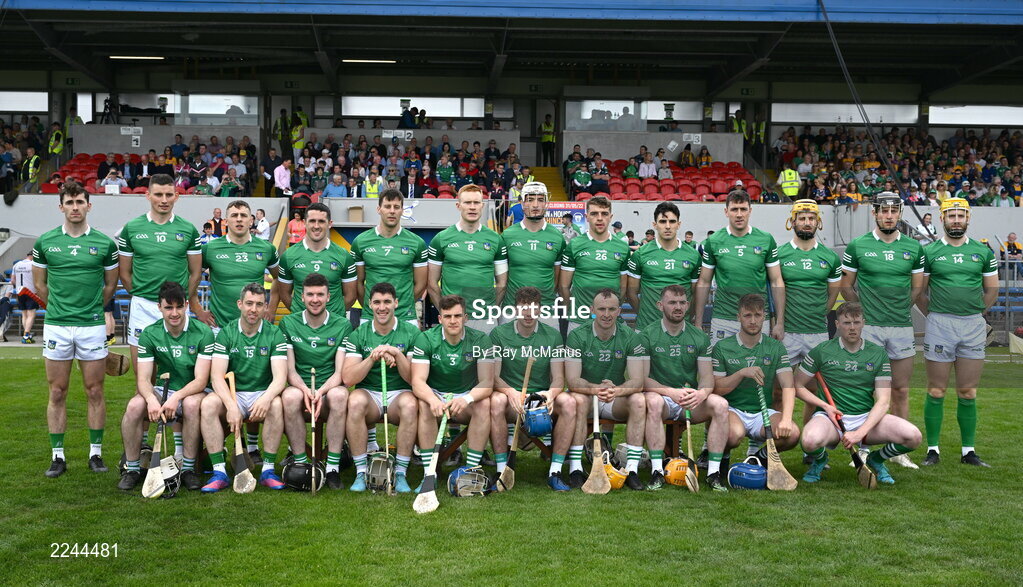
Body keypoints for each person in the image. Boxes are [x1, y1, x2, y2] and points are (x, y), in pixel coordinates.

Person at [33, 183, 119, 477]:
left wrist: (92, 309)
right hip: (57, 326)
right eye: (69, 202)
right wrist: (60, 309)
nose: (75, 207)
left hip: (91, 326)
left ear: (88, 206)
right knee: (57, 392)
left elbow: (110, 286)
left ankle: (95, 454)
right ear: (61, 207)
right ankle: (58, 456)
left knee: (95, 390)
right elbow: (40, 286)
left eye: (80, 201)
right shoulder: (45, 243)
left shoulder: (105, 244)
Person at [840, 193, 924, 469]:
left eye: (894, 211)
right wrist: (863, 313)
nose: (889, 215)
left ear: (900, 213)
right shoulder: (858, 246)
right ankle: (863, 447)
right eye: (884, 210)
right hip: (869, 329)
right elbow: (846, 286)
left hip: (900, 327)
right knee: (866, 389)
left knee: (900, 389)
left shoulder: (914, 247)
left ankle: (897, 450)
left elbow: (916, 288)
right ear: (874, 213)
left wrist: (899, 309)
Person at [795, 302, 922, 485]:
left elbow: (884, 401)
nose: (852, 328)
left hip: (865, 417)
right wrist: (824, 406)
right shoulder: (821, 351)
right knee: (809, 441)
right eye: (846, 323)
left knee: (913, 436)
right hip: (831, 417)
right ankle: (821, 460)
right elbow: (797, 385)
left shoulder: (877, 353)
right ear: (837, 325)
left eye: (856, 322)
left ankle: (876, 459)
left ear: (864, 323)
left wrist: (859, 433)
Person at [918, 199, 998, 467]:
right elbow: (919, 292)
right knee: (937, 390)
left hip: (972, 325)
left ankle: (968, 452)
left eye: (960, 216)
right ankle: (932, 450)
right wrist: (936, 314)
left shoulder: (982, 252)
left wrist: (975, 313)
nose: (955, 220)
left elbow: (992, 291)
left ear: (968, 219)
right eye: (950, 215)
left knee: (968, 392)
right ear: (942, 218)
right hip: (940, 324)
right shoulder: (929, 252)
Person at [117, 282, 214, 491]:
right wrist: (152, 399)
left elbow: (201, 380)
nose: (175, 313)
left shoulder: (202, 332)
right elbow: (143, 379)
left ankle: (188, 468)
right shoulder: (150, 334)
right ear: (159, 307)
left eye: (179, 306)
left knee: (190, 405)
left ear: (187, 305)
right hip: (162, 390)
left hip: (192, 391)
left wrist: (176, 396)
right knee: (134, 407)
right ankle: (132, 468)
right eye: (168, 307)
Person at [637, 285, 731, 491]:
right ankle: (657, 471)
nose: (677, 307)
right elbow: (642, 379)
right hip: (662, 397)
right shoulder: (647, 334)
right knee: (651, 401)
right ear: (660, 305)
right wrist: (670, 392)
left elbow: (707, 377)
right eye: (672, 303)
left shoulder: (699, 337)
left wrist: (702, 393)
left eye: (681, 303)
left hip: (690, 400)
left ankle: (714, 473)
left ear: (688, 305)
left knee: (721, 404)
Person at [200, 283, 289, 492]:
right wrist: (231, 406)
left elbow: (280, 377)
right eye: (249, 303)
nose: (253, 309)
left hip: (262, 392)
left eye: (259, 305)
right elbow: (216, 377)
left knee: (276, 404)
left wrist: (266, 398)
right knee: (209, 404)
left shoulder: (275, 334)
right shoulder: (226, 333)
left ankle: (267, 470)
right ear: (240, 304)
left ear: (265, 307)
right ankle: (219, 471)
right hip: (235, 394)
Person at [116, 174, 203, 368]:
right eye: (158, 194)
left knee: (179, 370)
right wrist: (141, 294)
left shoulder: (188, 229)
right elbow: (124, 273)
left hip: (176, 308)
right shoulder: (131, 228)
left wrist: (181, 300)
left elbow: (196, 272)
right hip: (142, 306)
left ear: (176, 196)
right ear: (147, 195)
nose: (164, 200)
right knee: (143, 374)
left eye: (168, 195)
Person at [342, 282, 422, 492]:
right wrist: (372, 357)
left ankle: (401, 473)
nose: (382, 307)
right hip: (369, 393)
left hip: (399, 393)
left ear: (396, 303)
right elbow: (349, 378)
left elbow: (414, 379)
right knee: (355, 400)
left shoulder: (411, 332)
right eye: (377, 302)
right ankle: (361, 472)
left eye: (387, 302)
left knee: (411, 405)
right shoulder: (359, 333)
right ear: (369, 305)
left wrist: (396, 353)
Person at [279, 273, 354, 490]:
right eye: (310, 294)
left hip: (329, 389)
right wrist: (304, 389)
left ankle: (332, 467)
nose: (315, 299)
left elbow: (340, 373)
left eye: (320, 294)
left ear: (329, 297)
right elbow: (289, 370)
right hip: (301, 388)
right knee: (289, 396)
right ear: (301, 297)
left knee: (341, 395)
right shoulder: (288, 323)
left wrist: (320, 391)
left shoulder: (342, 325)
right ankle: (301, 463)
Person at [565, 289, 646, 489]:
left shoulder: (630, 336)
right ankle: (575, 468)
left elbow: (638, 381)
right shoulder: (577, 335)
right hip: (587, 395)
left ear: (619, 311)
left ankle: (632, 470)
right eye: (601, 309)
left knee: (639, 400)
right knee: (577, 400)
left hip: (613, 397)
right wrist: (596, 388)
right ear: (592, 310)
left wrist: (616, 391)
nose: (606, 314)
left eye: (611, 309)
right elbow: (572, 380)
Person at [712, 293, 800, 468]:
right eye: (747, 315)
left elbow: (788, 386)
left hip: (763, 412)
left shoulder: (775, 347)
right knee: (733, 435)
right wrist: (741, 373)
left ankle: (759, 458)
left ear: (764, 317)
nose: (753, 321)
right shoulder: (723, 347)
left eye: (757, 315)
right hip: (733, 410)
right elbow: (718, 389)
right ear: (739, 317)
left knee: (793, 434)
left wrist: (786, 419)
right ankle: (723, 458)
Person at [410, 295, 494, 475]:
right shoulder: (426, 338)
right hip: (436, 395)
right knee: (424, 405)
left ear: (465, 317)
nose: (453, 321)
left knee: (484, 404)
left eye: (457, 316)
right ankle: (429, 472)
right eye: (447, 316)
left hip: (465, 396)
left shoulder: (480, 339)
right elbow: (417, 381)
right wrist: (432, 400)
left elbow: (487, 382)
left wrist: (467, 399)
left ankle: (471, 470)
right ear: (440, 319)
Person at [693, 190, 785, 344]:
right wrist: (698, 323)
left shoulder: (766, 239)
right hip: (724, 317)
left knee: (758, 367)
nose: (739, 214)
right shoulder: (714, 241)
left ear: (750, 210)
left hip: (757, 317)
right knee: (719, 367)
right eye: (734, 209)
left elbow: (776, 281)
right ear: (726, 212)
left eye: (743, 209)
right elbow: (704, 282)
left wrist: (780, 322)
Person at [427, 185, 507, 333]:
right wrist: (446, 312)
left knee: (486, 356)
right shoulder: (441, 239)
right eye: (467, 203)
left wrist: (488, 310)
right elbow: (432, 284)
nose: (472, 207)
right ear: (458, 206)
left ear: (482, 206)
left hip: (485, 318)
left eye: (476, 203)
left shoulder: (496, 239)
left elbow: (502, 284)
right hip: (452, 318)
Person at [199, 200, 280, 332]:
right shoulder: (210, 248)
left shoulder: (267, 248)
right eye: (234, 215)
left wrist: (271, 309)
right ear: (226, 221)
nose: (239, 219)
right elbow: (192, 277)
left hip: (255, 328)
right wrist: (198, 310)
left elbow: (279, 278)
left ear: (250, 221)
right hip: (219, 328)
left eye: (243, 215)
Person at [350, 190, 427, 327]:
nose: (392, 211)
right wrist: (374, 307)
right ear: (379, 209)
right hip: (371, 316)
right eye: (387, 206)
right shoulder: (360, 242)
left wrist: (402, 304)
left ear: (402, 210)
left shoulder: (417, 243)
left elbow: (421, 284)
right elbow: (358, 283)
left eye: (396, 207)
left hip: (405, 315)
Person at [559, 196, 630, 334]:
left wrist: (611, 311)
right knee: (575, 356)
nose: (599, 218)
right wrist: (574, 312)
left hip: (610, 321)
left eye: (604, 214)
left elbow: (623, 288)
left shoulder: (622, 247)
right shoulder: (575, 244)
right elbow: (564, 286)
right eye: (594, 213)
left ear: (611, 217)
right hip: (579, 320)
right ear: (586, 216)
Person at [499, 182, 566, 329]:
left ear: (546, 203)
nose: (535, 205)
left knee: (547, 352)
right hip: (512, 309)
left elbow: (557, 278)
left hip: (546, 309)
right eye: (530, 199)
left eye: (540, 200)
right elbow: (501, 277)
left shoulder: (557, 237)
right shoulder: (507, 235)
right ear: (522, 203)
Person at [626, 202, 701, 330]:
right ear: (654, 225)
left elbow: (696, 294)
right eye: (662, 222)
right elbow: (631, 293)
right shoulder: (640, 254)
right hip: (647, 328)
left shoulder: (693, 255)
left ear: (679, 224)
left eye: (672, 221)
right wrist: (645, 315)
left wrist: (687, 316)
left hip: (681, 328)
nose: (667, 226)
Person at [277, 203, 356, 317]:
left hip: (334, 326)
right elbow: (285, 295)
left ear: (330, 224)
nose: (316, 226)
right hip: (300, 326)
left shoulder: (344, 256)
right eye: (312, 221)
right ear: (304, 223)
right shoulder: (288, 256)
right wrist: (303, 315)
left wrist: (333, 317)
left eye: (322, 221)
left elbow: (351, 296)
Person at [12, 252, 39, 344]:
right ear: (32, 257)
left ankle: (26, 334)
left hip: (19, 291)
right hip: (30, 292)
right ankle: (26, 336)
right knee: (31, 314)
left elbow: (12, 280)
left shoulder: (16, 265)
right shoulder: (33, 264)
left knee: (24, 314)